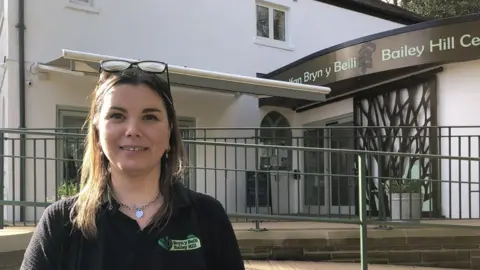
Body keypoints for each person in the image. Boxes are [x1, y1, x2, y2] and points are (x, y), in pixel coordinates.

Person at [20, 59, 245, 270]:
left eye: (149, 117)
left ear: (169, 133)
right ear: (97, 132)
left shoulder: (208, 216)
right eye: (117, 116)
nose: (133, 130)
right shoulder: (60, 223)